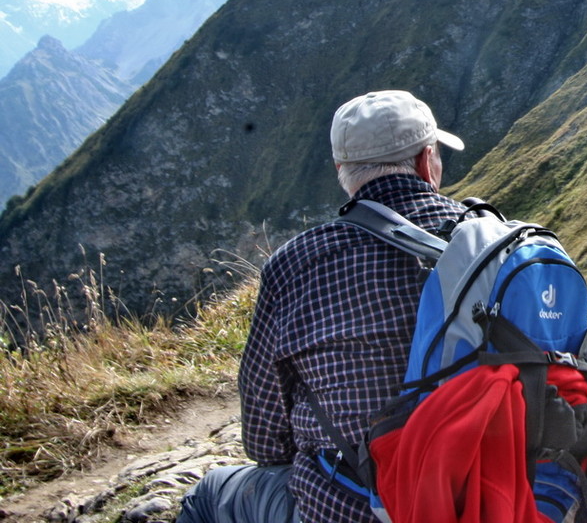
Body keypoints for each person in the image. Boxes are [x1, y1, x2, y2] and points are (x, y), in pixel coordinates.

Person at [177, 90, 468, 523]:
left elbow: (265, 441)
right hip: (497, 495)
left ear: (343, 173)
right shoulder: (494, 243)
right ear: (428, 161)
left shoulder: (293, 264)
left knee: (208, 494)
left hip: (354, 510)